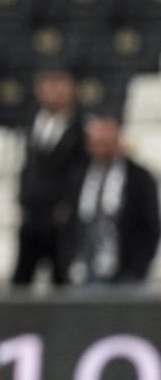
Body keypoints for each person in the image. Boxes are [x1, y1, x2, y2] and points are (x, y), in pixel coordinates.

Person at [12, 68, 86, 286]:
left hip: (60, 217)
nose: (53, 92)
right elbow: (27, 166)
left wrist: (68, 204)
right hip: (32, 214)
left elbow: (80, 172)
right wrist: (22, 199)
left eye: (59, 85)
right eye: (48, 85)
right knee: (22, 278)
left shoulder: (80, 128)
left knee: (61, 276)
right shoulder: (32, 123)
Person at [66, 115, 160, 284]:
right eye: (95, 142)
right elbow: (69, 222)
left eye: (105, 141)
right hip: (82, 270)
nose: (100, 147)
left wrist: (138, 268)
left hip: (126, 273)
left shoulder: (139, 177)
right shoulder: (79, 175)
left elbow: (150, 226)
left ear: (118, 139)